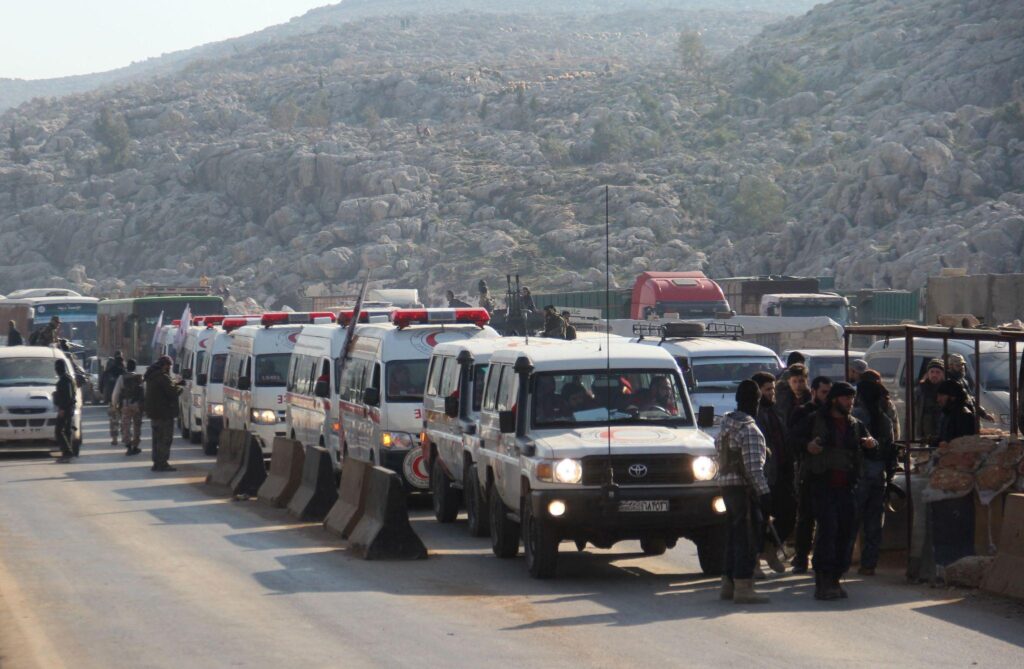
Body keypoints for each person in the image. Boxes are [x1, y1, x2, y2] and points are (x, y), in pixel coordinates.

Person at [805, 382, 877, 600]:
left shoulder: (855, 425)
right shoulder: (815, 420)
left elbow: (871, 446)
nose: (850, 402)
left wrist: (872, 444)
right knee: (828, 532)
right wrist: (807, 446)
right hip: (822, 486)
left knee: (845, 534)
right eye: (846, 398)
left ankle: (835, 577)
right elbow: (795, 440)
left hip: (847, 487)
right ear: (835, 399)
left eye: (852, 399)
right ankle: (823, 580)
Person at [716, 380, 772, 604]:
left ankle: (728, 584)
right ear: (756, 402)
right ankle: (743, 587)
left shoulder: (725, 425)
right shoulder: (750, 430)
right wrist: (765, 495)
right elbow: (753, 469)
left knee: (733, 536)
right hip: (743, 490)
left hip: (726, 487)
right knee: (747, 538)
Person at [788, 375, 833, 573]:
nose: (827, 396)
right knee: (806, 517)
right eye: (824, 392)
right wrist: (807, 446)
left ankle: (821, 558)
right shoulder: (802, 412)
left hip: (829, 472)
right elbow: (792, 439)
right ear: (813, 391)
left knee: (827, 518)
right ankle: (801, 558)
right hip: (808, 470)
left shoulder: (834, 414)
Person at [852, 375, 896, 576]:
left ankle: (843, 562)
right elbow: (891, 449)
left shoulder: (854, 417)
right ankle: (869, 564)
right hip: (879, 475)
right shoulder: (885, 419)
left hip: (858, 476)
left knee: (851, 520)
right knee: (873, 522)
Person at [752, 371, 791, 575]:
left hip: (781, 473)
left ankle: (769, 549)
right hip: (763, 475)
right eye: (768, 390)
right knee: (759, 519)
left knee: (788, 513)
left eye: (773, 389)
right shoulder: (753, 415)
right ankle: (755, 561)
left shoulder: (777, 411)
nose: (771, 393)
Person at [144, 356, 182, 472]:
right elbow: (172, 393)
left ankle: (156, 462)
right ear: (164, 365)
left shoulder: (151, 376)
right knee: (165, 439)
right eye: (168, 366)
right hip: (164, 414)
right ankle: (163, 463)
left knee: (156, 439)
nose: (169, 368)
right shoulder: (162, 377)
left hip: (154, 414)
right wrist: (180, 387)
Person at [946, 353, 993, 421]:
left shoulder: (963, 381)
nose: (962, 367)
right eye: (958, 365)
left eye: (962, 364)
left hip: (966, 418)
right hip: (955, 420)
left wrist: (984, 414)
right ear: (950, 366)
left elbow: (970, 399)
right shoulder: (948, 382)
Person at [112, 359, 144, 455]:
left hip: (126, 404)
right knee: (137, 426)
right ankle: (135, 445)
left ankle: (128, 445)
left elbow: (116, 393)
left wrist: (115, 405)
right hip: (137, 405)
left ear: (127, 367)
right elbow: (144, 391)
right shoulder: (139, 377)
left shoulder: (122, 378)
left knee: (126, 426)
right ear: (135, 367)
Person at [914, 359, 945, 444]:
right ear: (928, 373)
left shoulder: (946, 389)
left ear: (943, 374)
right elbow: (913, 413)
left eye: (938, 372)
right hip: (925, 433)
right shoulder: (921, 389)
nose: (934, 375)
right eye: (932, 372)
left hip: (942, 432)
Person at [52, 358, 77, 464]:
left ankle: (67, 452)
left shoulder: (65, 380)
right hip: (68, 408)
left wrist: (62, 408)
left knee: (58, 431)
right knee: (66, 431)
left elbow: (69, 397)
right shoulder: (68, 379)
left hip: (66, 409)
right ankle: (67, 453)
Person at [774, 363, 811, 427]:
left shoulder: (812, 400)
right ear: (789, 382)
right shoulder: (782, 400)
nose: (798, 385)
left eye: (801, 381)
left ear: (807, 381)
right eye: (794, 381)